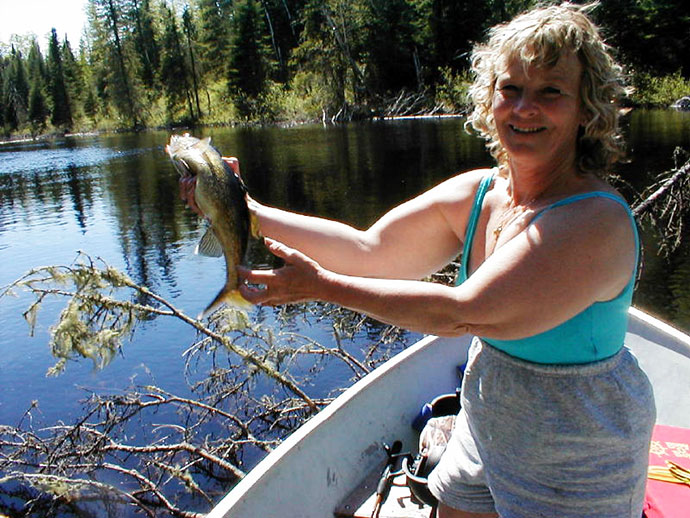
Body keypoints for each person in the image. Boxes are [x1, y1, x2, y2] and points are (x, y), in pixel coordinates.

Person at [180, 3, 655, 517]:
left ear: (587, 108)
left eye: (550, 93)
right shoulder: (480, 193)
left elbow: (463, 312)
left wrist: (322, 287)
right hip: (489, 412)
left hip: (577, 448)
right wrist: (247, 210)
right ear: (489, 96)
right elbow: (371, 251)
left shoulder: (592, 220)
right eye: (511, 89)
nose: (523, 109)